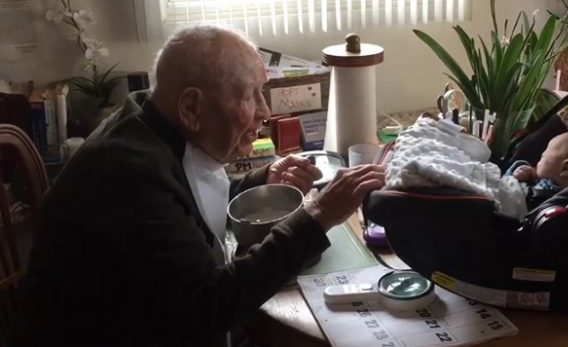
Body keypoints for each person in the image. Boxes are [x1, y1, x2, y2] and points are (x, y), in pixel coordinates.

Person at [14, 26, 385, 347]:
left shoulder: (147, 118)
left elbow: (183, 193)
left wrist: (262, 179)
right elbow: (212, 304)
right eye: (249, 96)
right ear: (191, 108)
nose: (264, 112)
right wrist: (317, 216)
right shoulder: (129, 177)